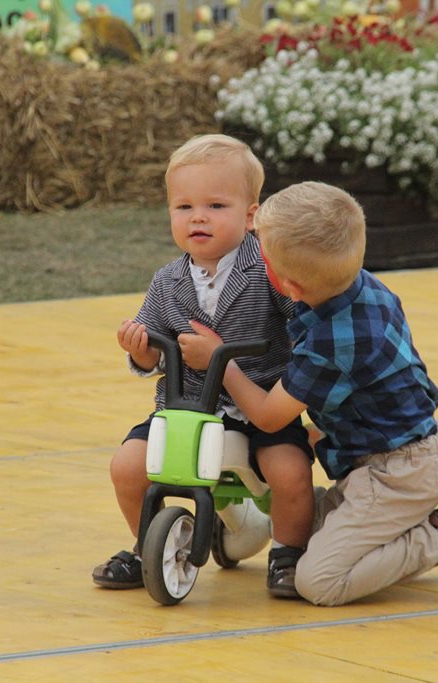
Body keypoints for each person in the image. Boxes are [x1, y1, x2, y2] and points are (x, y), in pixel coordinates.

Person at [178, 181, 438, 606]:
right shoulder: (360, 286)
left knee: (318, 581)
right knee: (295, 527)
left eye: (261, 254)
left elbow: (269, 417)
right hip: (391, 456)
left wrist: (221, 362)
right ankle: (428, 527)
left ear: (289, 286)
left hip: (397, 474)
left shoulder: (332, 342)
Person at [92, 134, 315, 598]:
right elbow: (154, 351)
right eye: (184, 207)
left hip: (259, 406)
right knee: (128, 466)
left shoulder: (269, 270)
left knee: (290, 471)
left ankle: (288, 554)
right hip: (186, 406)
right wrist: (140, 350)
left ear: (251, 217)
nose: (198, 217)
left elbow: (304, 324)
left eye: (216, 206)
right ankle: (147, 546)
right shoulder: (168, 281)